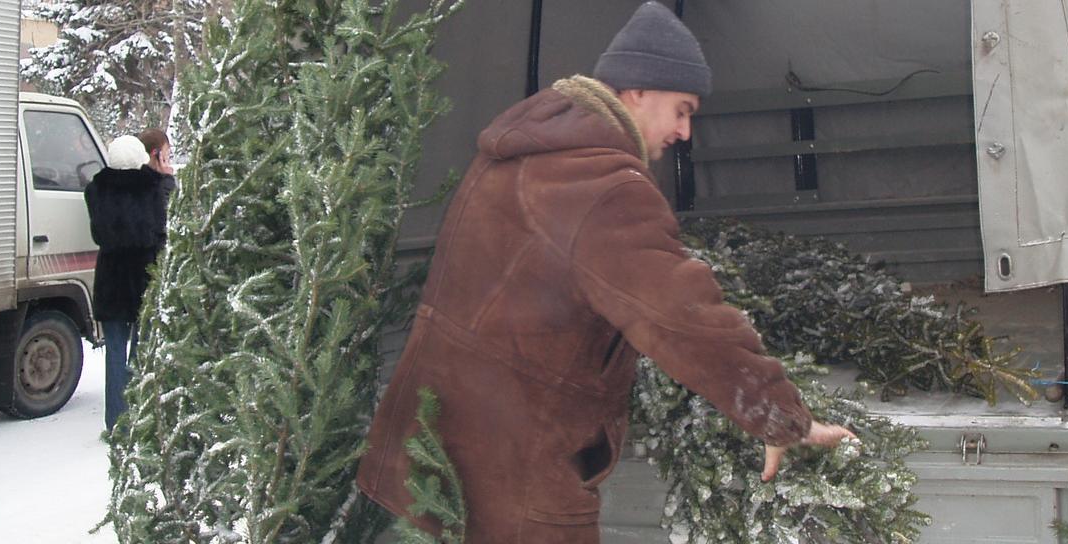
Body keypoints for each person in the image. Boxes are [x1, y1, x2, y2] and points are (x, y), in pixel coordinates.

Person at [359, 3, 855, 541]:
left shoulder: (528, 154)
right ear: (638, 90)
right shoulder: (601, 184)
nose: (686, 131)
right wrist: (779, 416)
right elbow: (681, 315)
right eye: (682, 109)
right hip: (512, 478)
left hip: (434, 454)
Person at [84, 134, 170, 431]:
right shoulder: (153, 188)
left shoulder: (95, 190)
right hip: (143, 278)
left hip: (110, 280)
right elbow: (160, 230)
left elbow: (98, 235)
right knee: (141, 352)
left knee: (114, 355)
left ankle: (116, 422)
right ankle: (139, 417)